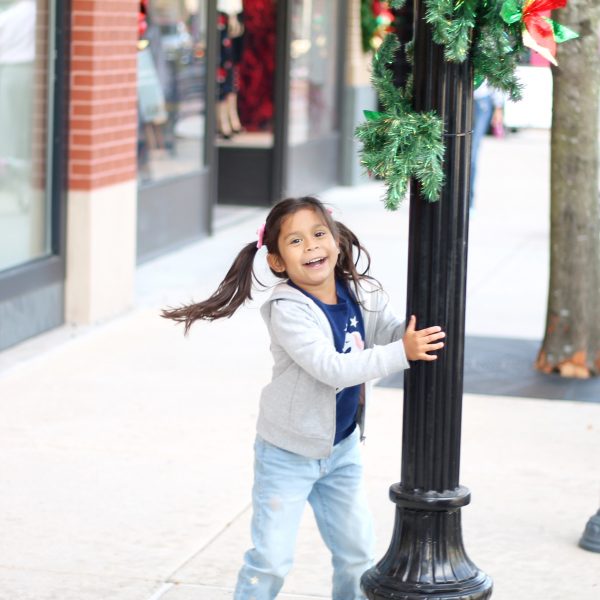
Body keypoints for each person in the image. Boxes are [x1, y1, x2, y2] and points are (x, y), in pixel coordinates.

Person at [162, 196, 446, 600]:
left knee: (357, 554)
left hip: (341, 451)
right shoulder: (287, 310)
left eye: (318, 234)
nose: (311, 246)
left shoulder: (358, 293)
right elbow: (332, 367)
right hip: (287, 455)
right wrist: (403, 352)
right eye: (294, 242)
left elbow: (385, 329)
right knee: (271, 560)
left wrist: (410, 334)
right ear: (278, 261)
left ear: (336, 242)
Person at [470, 80, 505, 210]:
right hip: (455, 96)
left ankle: (469, 201)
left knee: (471, 153)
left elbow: (497, 70)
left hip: (480, 101)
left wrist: (498, 106)